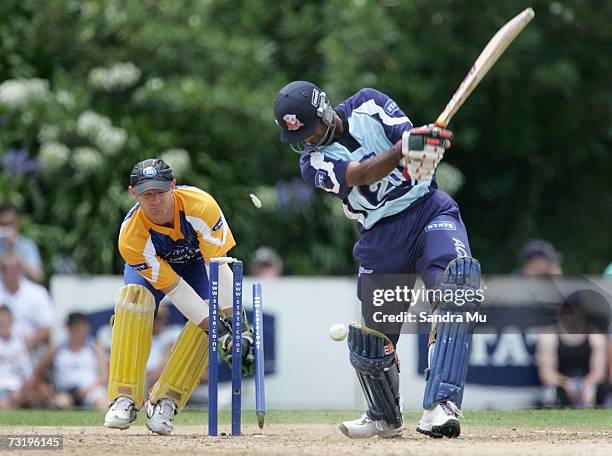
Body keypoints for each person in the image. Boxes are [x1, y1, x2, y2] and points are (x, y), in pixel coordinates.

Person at [274, 82, 479, 438]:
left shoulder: (370, 104)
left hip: (428, 210)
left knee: (456, 288)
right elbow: (362, 174)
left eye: (311, 130)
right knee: (375, 339)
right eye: (300, 136)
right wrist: (404, 150)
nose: (308, 140)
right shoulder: (313, 163)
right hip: (380, 235)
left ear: (324, 111)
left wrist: (425, 149)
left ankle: (441, 405)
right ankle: (385, 415)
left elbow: (413, 149)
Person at [104, 158, 254, 435]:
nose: (156, 200)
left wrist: (237, 326)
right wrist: (217, 330)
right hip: (156, 271)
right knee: (134, 298)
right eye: (147, 194)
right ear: (133, 194)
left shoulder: (201, 206)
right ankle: (124, 397)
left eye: (160, 192)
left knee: (215, 310)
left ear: (173, 186)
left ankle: (166, 401)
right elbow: (175, 289)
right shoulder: (131, 236)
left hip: (198, 264)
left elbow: (219, 267)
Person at [536, 291, 608, 407]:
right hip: (560, 385)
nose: (570, 314)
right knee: (552, 394)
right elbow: (547, 374)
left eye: (574, 309)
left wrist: (586, 384)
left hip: (588, 385)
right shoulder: (549, 337)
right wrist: (565, 383)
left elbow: (598, 372)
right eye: (567, 310)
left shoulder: (596, 337)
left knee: (595, 392)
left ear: (582, 311)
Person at [33, 312, 107, 410]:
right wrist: (43, 387)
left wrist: (87, 389)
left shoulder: (96, 347)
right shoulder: (57, 348)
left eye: (80, 327)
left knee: (102, 404)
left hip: (91, 389)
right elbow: (38, 371)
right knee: (60, 404)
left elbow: (104, 377)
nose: (77, 331)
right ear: (68, 328)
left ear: (87, 328)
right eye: (74, 327)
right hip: (65, 391)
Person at [0, 252, 54, 353]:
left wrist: (29, 344)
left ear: (21, 270)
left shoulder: (38, 293)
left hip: (31, 350)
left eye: (15, 269)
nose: (11, 273)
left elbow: (47, 327)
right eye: (6, 269)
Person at [0, 203, 43, 282]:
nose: (7, 228)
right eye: (3, 224)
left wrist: (12, 249)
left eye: (10, 223)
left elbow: (37, 276)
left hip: (23, 291)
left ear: (18, 221)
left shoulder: (28, 245)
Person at [0, 305, 33, 409]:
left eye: (5, 322)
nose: (3, 325)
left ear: (11, 323)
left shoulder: (21, 343)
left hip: (17, 387)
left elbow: (28, 370)